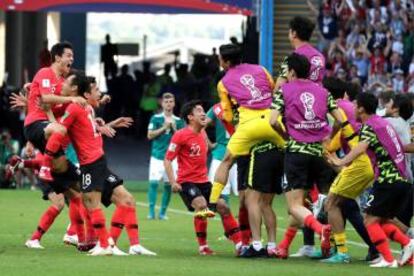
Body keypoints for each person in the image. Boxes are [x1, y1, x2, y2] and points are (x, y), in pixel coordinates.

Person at [44, 72, 156, 256]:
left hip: (92, 164)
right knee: (125, 200)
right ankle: (111, 244)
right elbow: (85, 130)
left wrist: (47, 160)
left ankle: (106, 244)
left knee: (91, 203)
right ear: (85, 94)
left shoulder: (78, 108)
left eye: (67, 82)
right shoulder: (85, 108)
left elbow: (60, 131)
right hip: (98, 162)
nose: (99, 93)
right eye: (95, 89)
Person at [269, 53, 344, 259]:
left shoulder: (284, 90)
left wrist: (286, 135)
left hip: (297, 153)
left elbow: (273, 121)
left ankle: (321, 231)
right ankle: (337, 248)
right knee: (327, 202)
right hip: (321, 154)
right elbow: (340, 119)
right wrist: (329, 137)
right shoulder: (322, 91)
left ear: (291, 72)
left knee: (295, 206)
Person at [328, 93, 414, 268]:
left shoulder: (369, 126)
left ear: (361, 108)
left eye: (355, 105)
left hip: (387, 180)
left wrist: (340, 161)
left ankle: (390, 258)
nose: (353, 108)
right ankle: (407, 244)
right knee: (381, 220)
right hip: (400, 179)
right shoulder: (383, 123)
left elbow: (361, 148)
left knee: (369, 220)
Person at [209, 43, 285, 210]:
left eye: (220, 59)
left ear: (227, 62)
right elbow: (273, 90)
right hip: (271, 121)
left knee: (226, 162)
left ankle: (213, 202)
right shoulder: (260, 69)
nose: (219, 61)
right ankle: (315, 198)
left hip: (248, 126)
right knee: (296, 153)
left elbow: (227, 115)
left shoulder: (223, 83)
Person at [164, 100, 242, 255]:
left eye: (203, 110)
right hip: (186, 182)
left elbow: (207, 147)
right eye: (199, 111)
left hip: (204, 181)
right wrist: (173, 182)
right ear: (190, 117)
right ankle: (203, 246)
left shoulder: (203, 133)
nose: (203, 113)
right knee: (201, 205)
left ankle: (239, 244)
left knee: (223, 207)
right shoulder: (180, 135)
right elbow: (167, 159)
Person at [322, 77, 379, 263]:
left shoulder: (335, 108)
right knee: (346, 206)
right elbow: (343, 129)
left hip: (358, 162)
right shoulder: (347, 106)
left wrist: (331, 150)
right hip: (365, 163)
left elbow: (338, 127)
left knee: (331, 204)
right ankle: (373, 248)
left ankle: (342, 252)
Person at [239, 141, 284, 258]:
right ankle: (272, 246)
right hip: (279, 153)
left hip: (261, 151)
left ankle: (257, 245)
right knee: (266, 204)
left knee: (251, 200)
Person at [147, 93, 184, 220]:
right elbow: (149, 135)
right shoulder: (155, 119)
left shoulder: (179, 121)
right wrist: (164, 128)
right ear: (162, 104)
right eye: (166, 101)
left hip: (172, 158)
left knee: (169, 185)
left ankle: (162, 212)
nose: (168, 103)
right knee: (153, 184)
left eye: (171, 101)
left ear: (174, 104)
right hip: (157, 156)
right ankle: (151, 212)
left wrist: (173, 129)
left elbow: (183, 139)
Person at [206, 103, 238, 204]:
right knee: (243, 190)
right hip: (238, 150)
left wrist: (210, 145)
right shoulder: (243, 105)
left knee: (218, 186)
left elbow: (201, 125)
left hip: (222, 152)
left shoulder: (217, 108)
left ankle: (227, 217)